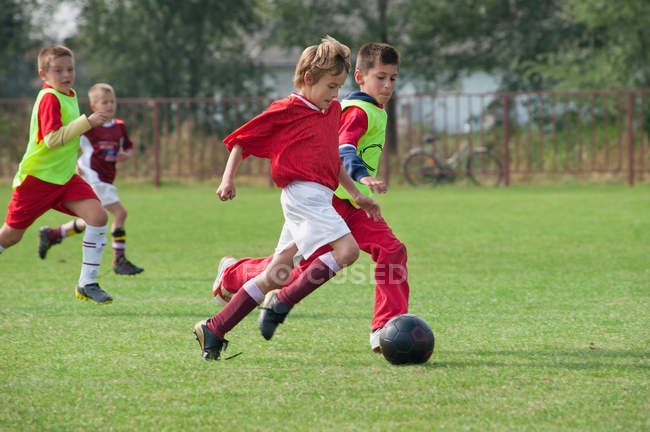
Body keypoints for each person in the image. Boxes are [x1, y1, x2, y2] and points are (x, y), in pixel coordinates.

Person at [193, 36, 381, 360]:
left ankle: (215, 327)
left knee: (277, 273)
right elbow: (241, 141)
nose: (336, 95)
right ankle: (282, 302)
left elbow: (332, 161)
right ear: (309, 80)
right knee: (348, 251)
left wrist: (356, 194)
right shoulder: (286, 109)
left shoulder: (332, 110)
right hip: (301, 194)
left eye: (339, 87)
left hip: (318, 197)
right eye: (331, 86)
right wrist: (228, 179)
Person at [0, 45, 113, 304]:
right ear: (43, 74)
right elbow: (51, 140)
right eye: (58, 70)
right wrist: (89, 122)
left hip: (63, 178)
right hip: (37, 180)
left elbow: (69, 132)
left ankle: (87, 283)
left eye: (70, 69)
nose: (66, 75)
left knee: (97, 216)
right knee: (11, 236)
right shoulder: (50, 97)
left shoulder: (69, 94)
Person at [37, 83, 144, 275]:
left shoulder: (120, 126)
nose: (109, 105)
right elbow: (68, 141)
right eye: (104, 102)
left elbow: (128, 147)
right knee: (120, 214)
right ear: (94, 106)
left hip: (107, 179)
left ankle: (53, 234)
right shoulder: (89, 125)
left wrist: (126, 155)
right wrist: (74, 162)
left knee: (93, 219)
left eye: (112, 102)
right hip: (92, 176)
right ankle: (119, 260)